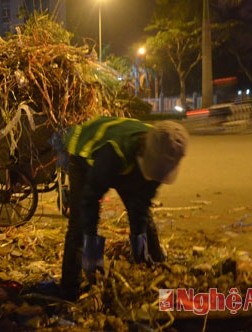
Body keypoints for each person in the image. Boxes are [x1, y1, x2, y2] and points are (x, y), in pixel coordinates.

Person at [60, 116, 189, 301]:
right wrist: (92, 251)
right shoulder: (113, 153)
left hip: (127, 160)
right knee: (78, 227)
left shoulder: (163, 155)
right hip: (85, 154)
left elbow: (141, 204)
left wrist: (140, 247)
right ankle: (69, 291)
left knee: (142, 214)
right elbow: (89, 200)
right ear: (144, 152)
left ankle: (155, 266)